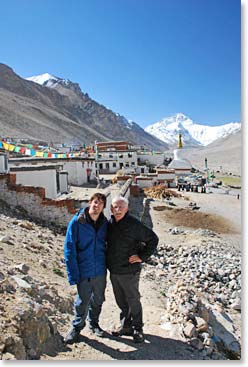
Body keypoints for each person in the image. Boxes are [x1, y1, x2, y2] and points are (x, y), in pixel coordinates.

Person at [107, 196, 158, 343]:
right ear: (111, 209)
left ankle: (138, 329)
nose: (118, 210)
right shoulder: (110, 224)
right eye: (115, 207)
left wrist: (142, 257)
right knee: (121, 302)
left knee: (133, 300)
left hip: (130, 271)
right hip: (114, 271)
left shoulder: (134, 224)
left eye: (121, 207)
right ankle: (126, 326)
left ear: (127, 208)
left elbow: (153, 239)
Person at [63, 192, 108, 344]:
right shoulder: (77, 222)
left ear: (103, 207)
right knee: (82, 301)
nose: (97, 206)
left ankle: (94, 323)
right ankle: (76, 328)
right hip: (84, 269)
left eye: (100, 204)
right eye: (95, 202)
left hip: (100, 269)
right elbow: (69, 249)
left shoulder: (105, 224)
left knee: (99, 299)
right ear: (90, 203)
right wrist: (72, 273)